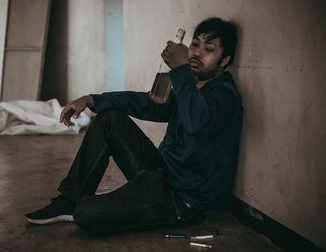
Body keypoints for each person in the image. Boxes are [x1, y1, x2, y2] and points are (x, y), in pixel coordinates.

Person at [25, 17, 243, 235]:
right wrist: (91, 99)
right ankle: (69, 199)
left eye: (209, 49)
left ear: (224, 60)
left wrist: (182, 70)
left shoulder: (224, 95)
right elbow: (149, 103)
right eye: (195, 44)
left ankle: (88, 206)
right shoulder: (191, 85)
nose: (197, 52)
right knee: (109, 119)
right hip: (161, 174)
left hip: (182, 199)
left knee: (86, 214)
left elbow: (197, 122)